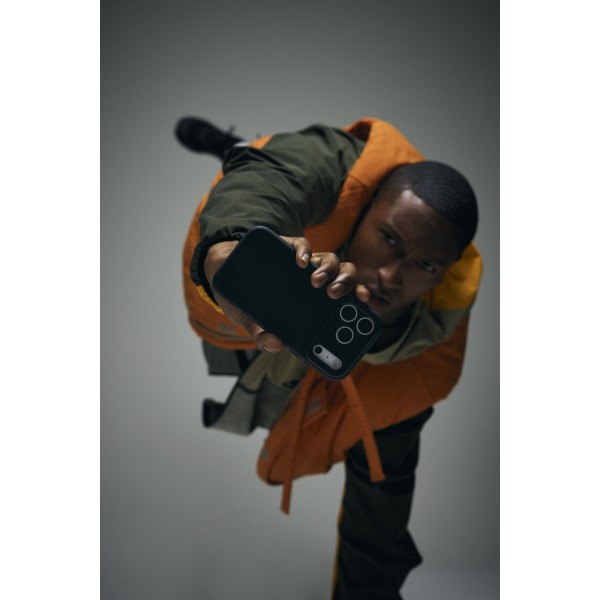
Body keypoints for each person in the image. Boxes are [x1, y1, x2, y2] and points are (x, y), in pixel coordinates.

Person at [177, 116, 483, 599]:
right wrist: (228, 245)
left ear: (443, 274)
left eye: (424, 265)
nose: (390, 276)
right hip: (295, 199)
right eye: (389, 239)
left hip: (374, 358)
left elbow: (377, 527)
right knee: (254, 168)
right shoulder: (339, 166)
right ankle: (233, 148)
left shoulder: (425, 366)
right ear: (365, 208)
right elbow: (270, 180)